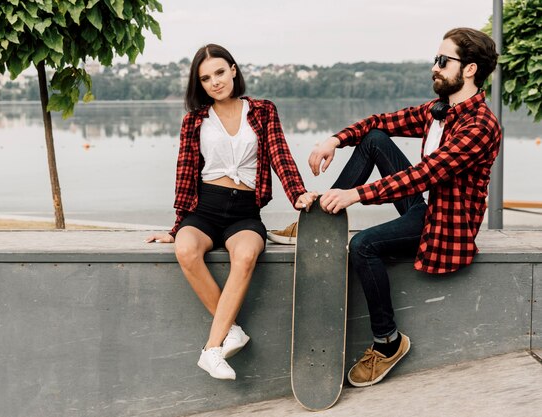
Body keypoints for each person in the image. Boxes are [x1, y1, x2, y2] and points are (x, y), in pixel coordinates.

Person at [270, 27, 501, 386]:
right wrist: (335, 139)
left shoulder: (480, 125)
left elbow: (425, 174)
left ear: (469, 69)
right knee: (375, 139)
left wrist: (356, 195)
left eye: (443, 61)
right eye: (434, 59)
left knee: (363, 245)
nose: (434, 67)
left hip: (445, 225)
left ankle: (388, 342)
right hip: (426, 207)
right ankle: (314, 222)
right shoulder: (441, 111)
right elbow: (380, 123)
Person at [146, 44, 317, 380]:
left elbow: (280, 155)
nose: (215, 82)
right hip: (204, 208)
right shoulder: (194, 120)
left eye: (220, 73)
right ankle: (231, 332)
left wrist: (297, 194)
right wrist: (176, 225)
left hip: (244, 212)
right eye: (206, 78)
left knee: (246, 254)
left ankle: (211, 348)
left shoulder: (263, 110)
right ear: (200, 84)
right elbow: (185, 174)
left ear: (234, 70)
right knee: (186, 249)